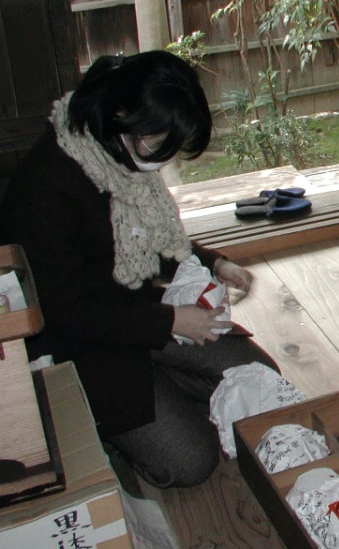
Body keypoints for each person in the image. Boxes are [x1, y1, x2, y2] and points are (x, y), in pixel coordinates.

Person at [0, 51, 279, 488]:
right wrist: (171, 320)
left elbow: (149, 235)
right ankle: (124, 420)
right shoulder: (48, 184)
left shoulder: (119, 150)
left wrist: (213, 262)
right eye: (157, 144)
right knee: (192, 460)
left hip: (134, 309)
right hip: (80, 342)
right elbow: (65, 312)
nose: (160, 162)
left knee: (261, 380)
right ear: (120, 113)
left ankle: (161, 392)